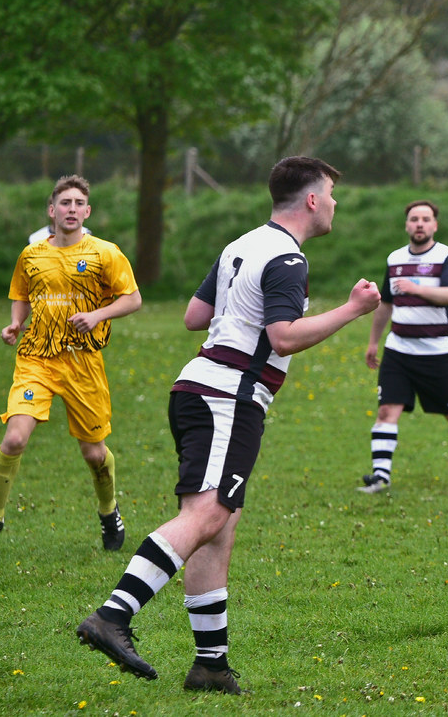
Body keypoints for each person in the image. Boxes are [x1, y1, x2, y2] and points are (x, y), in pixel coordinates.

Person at [76, 156, 380, 694]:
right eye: (331, 192)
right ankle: (114, 615)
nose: (334, 202)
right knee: (208, 515)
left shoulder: (240, 244)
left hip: (198, 386)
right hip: (228, 396)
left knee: (219, 523)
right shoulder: (287, 257)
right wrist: (353, 310)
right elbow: (284, 337)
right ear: (311, 200)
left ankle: (210, 665)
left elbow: (196, 315)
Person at [0, 175, 142, 549]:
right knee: (14, 438)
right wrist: (16, 322)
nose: (71, 209)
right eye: (65, 203)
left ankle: (109, 512)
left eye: (78, 203)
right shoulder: (32, 254)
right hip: (37, 358)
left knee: (94, 453)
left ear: (87, 211)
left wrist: (97, 315)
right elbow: (21, 293)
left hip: (83, 362)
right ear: (52, 210)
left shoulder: (105, 252)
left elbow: (133, 299)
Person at [358, 200, 448, 493]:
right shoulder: (394, 259)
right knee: (386, 411)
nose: (419, 224)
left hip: (436, 352)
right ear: (406, 225)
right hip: (398, 351)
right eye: (414, 219)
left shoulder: (447, 256)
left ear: (435, 225)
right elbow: (386, 304)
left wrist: (417, 288)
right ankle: (380, 476)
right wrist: (373, 342)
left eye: (425, 219)